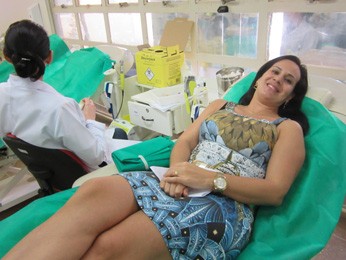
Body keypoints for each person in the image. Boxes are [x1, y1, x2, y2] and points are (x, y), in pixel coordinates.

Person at [3, 54, 309, 259]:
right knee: (94, 191)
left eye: (289, 80)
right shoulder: (220, 106)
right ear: (258, 79)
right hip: (179, 179)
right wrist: (178, 171)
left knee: (107, 247)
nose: (279, 79)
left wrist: (210, 179)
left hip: (223, 203)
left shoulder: (287, 128)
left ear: (291, 96)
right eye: (275, 71)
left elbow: (275, 192)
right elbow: (185, 140)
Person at [0, 20, 113, 171]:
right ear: (50, 57)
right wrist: (90, 120)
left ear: (7, 57)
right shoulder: (60, 107)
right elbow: (97, 157)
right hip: (86, 174)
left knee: (115, 133)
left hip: (49, 169)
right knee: (120, 136)